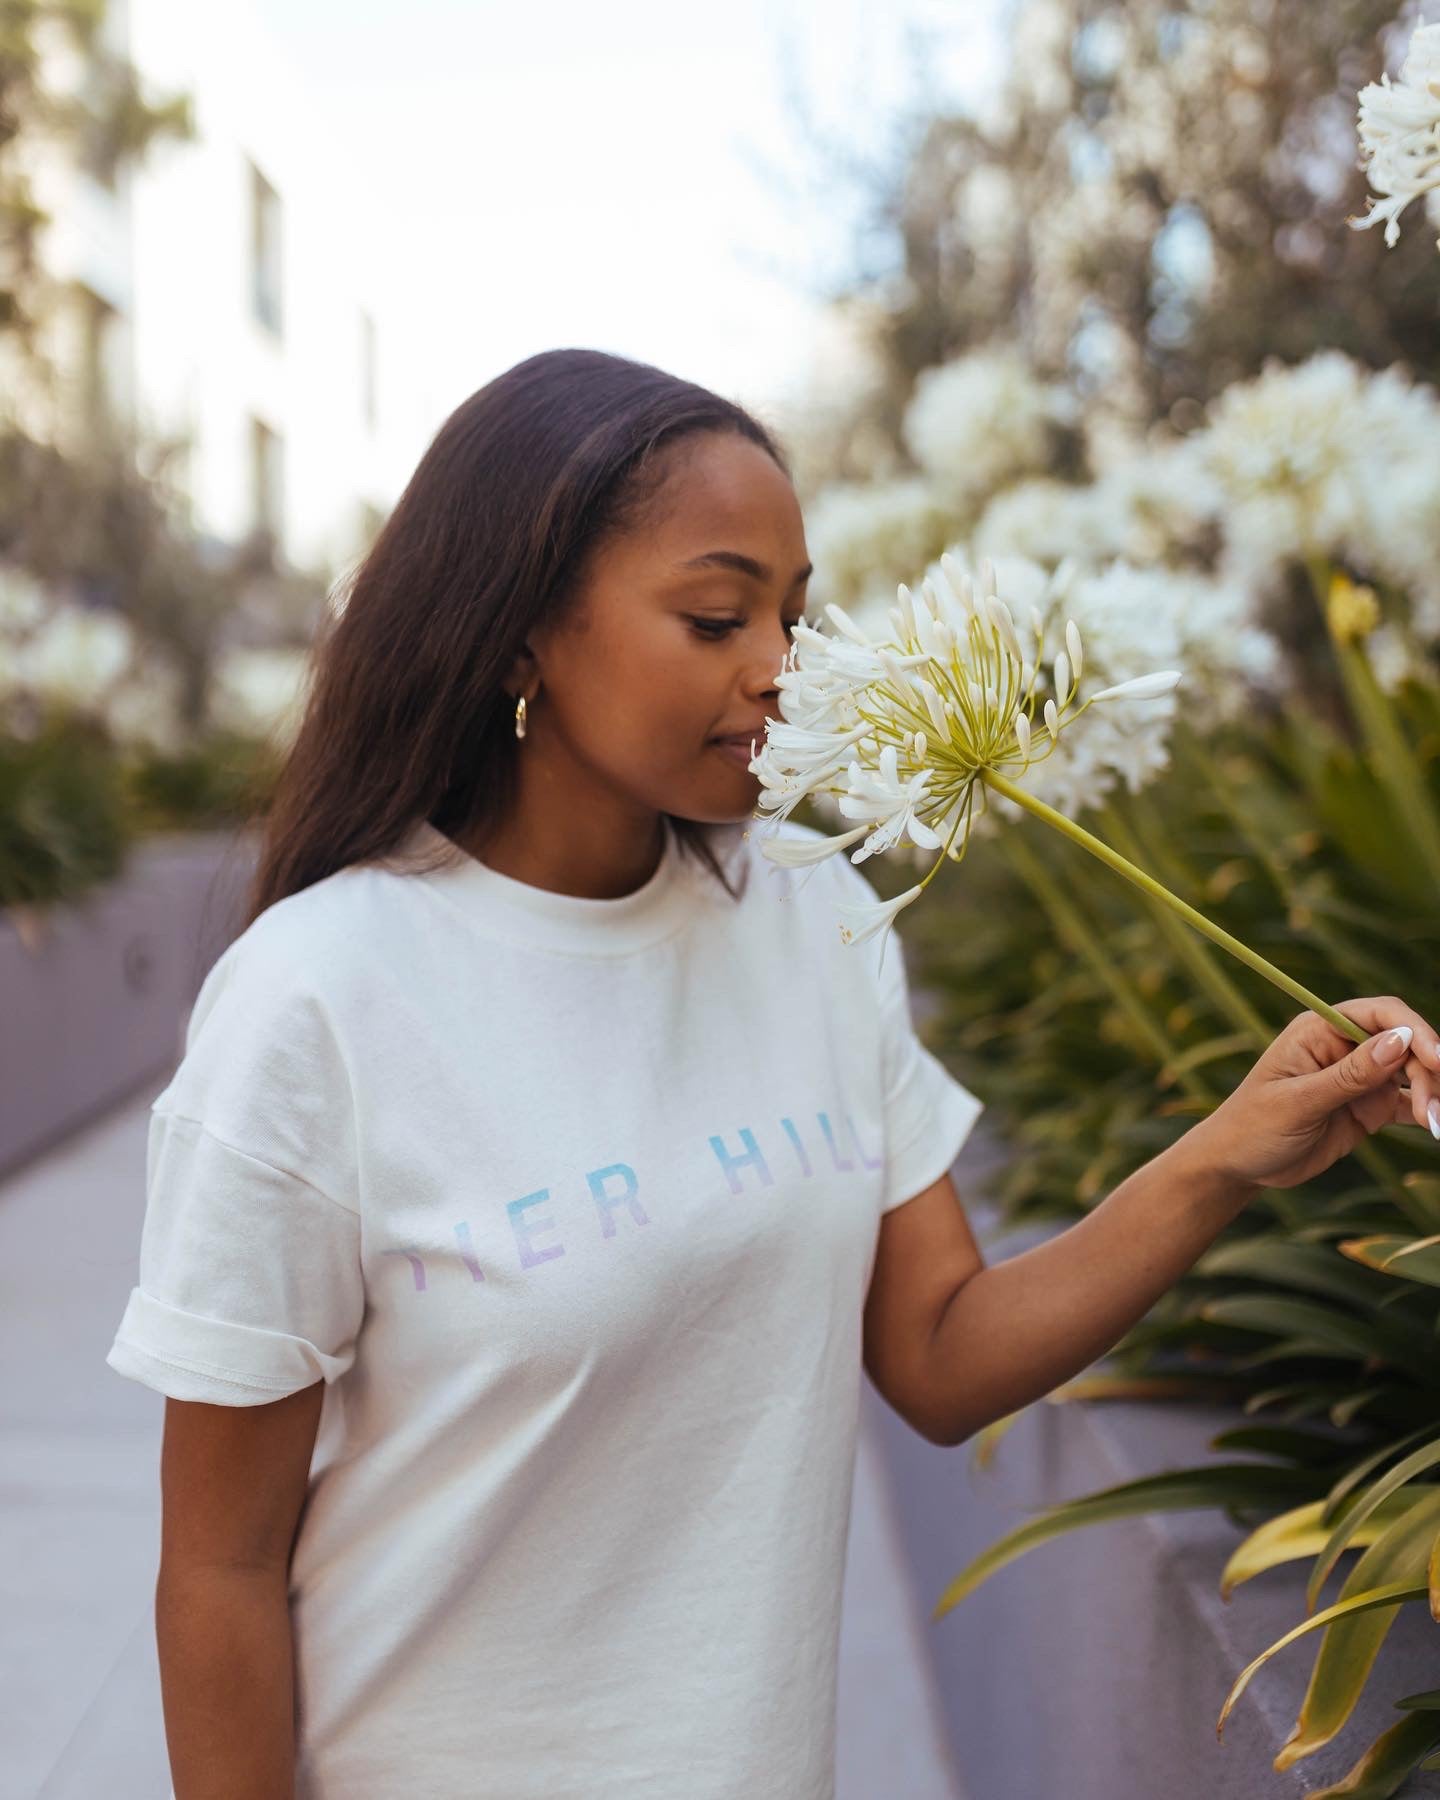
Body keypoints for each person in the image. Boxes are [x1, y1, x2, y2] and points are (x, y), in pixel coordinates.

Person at [105, 346, 1440, 1800]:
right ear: (520, 634)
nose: (780, 670)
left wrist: (1231, 1151)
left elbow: (940, 1354)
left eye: (793, 616)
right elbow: (220, 1567)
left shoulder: (814, 913)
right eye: (715, 616)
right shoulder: (318, 995)